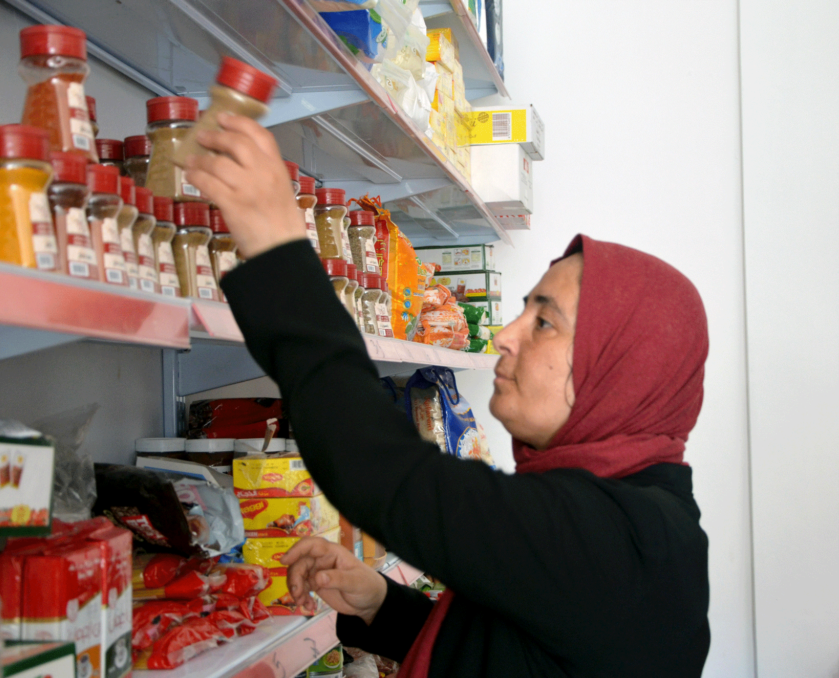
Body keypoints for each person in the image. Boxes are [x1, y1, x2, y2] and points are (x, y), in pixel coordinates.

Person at [184, 113, 711, 677]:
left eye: (544, 324)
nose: (507, 335)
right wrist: (382, 603)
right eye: (523, 310)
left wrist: (274, 245)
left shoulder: (617, 539)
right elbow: (517, 655)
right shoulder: (638, 520)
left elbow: (380, 470)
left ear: (621, 372)